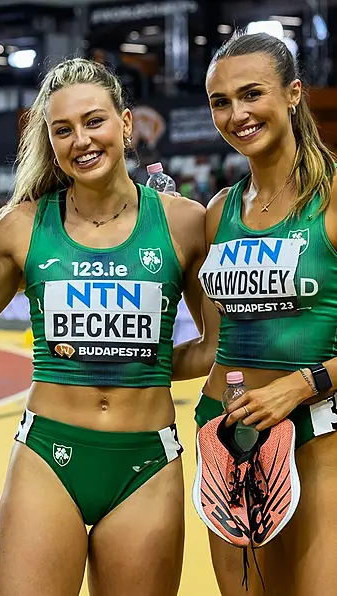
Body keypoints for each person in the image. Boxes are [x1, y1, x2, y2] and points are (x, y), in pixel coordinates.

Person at [0, 58, 208, 596]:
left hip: (146, 464)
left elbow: (216, 345)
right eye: (62, 129)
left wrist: (151, 361)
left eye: (94, 122)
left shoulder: (183, 222)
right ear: (48, 139)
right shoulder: (22, 226)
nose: (81, 140)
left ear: (126, 124)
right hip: (48, 458)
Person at [193, 31, 337, 596]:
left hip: (318, 430)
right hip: (227, 435)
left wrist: (302, 385)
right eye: (220, 102)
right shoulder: (218, 211)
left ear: (294, 93)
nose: (237, 114)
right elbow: (208, 345)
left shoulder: (331, 199)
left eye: (252, 94)